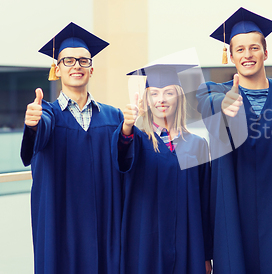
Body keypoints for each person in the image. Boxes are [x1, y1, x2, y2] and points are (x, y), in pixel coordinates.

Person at [196, 7, 272, 274]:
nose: (247, 55)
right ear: (231, 55)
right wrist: (224, 104)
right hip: (233, 214)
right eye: (240, 49)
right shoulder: (214, 92)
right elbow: (207, 106)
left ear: (266, 53)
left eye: (254, 48)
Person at [20, 22, 123, 274]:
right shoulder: (47, 113)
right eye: (68, 61)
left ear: (92, 69)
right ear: (57, 69)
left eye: (83, 61)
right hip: (61, 227)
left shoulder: (113, 117)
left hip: (104, 227)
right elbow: (39, 133)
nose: (76, 65)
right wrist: (33, 125)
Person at [114, 63, 212, 274]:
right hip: (147, 244)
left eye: (169, 92)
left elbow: (205, 203)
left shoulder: (197, 144)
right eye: (154, 93)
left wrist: (205, 255)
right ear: (146, 100)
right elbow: (122, 159)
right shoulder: (137, 140)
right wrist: (127, 128)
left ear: (179, 97)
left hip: (188, 242)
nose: (161, 99)